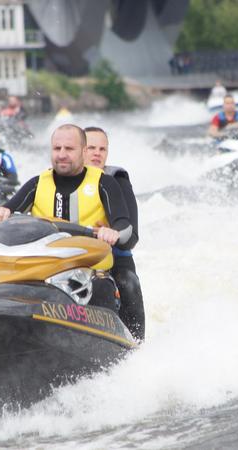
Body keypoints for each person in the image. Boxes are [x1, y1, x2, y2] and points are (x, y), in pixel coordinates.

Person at [0, 124, 136, 312]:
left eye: (69, 149)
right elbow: (6, 211)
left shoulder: (105, 183)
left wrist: (113, 232)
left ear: (83, 151)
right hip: (40, 271)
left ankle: (126, 339)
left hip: (89, 272)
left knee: (103, 288)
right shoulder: (37, 183)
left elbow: (124, 225)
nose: (62, 154)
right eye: (57, 148)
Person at [84, 126, 145, 341]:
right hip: (69, 257)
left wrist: (113, 234)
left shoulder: (117, 180)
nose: (97, 153)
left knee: (129, 283)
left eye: (102, 149)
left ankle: (136, 345)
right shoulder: (55, 182)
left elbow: (132, 236)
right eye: (91, 147)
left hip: (114, 257)